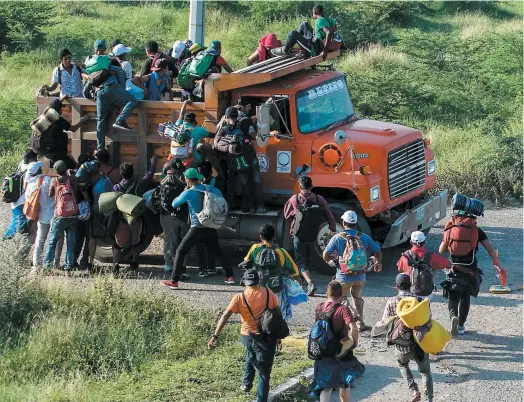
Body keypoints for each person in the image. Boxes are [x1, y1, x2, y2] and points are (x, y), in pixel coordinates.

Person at [207, 268, 279, 402]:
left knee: (250, 353)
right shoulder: (269, 293)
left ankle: (246, 383)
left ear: (244, 282)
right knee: (264, 373)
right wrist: (279, 338)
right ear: (258, 280)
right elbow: (277, 316)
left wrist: (215, 336)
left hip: (247, 336)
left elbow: (225, 316)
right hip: (266, 336)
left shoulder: (239, 297)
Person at [159, 168, 235, 289]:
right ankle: (230, 277)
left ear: (188, 179)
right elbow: (220, 196)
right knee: (218, 252)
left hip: (197, 228)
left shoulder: (189, 192)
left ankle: (174, 281)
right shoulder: (209, 188)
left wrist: (184, 192)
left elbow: (174, 204)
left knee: (180, 251)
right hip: (210, 226)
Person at [439, 211, 501, 337]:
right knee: (465, 297)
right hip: (470, 269)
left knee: (453, 296)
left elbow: (441, 250)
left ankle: (453, 317)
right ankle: (461, 325)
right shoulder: (477, 231)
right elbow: (491, 251)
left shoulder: (451, 228)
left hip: (453, 269)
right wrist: (496, 263)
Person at [323, 210, 382, 332]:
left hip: (343, 276)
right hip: (360, 276)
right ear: (355, 223)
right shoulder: (363, 237)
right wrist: (378, 263)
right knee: (358, 298)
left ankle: (350, 318)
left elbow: (325, 254)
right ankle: (360, 323)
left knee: (341, 298)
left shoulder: (337, 238)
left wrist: (330, 262)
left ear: (343, 222)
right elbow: (377, 250)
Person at [378, 274, 433, 402]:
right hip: (419, 343)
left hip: (401, 345)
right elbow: (429, 321)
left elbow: (384, 322)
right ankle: (429, 399)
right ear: (411, 285)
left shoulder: (392, 301)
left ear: (396, 287)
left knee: (402, 364)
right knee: (425, 372)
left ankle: (414, 390)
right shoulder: (421, 301)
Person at [310, 281, 364, 402]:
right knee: (344, 383)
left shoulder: (319, 307)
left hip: (324, 350)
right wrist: (354, 342)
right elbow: (354, 327)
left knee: (326, 386)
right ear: (341, 295)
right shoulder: (343, 309)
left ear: (326, 294)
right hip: (341, 351)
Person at [241, 223, 305, 321]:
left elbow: (246, 261)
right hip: (275, 288)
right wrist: (299, 280)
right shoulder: (281, 251)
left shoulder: (255, 248)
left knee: (258, 314)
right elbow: (293, 269)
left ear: (261, 237)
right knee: (275, 315)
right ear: (273, 236)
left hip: (259, 287)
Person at [284, 175, 336, 296]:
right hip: (312, 234)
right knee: (308, 257)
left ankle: (310, 283)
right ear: (312, 186)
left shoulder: (294, 199)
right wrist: (332, 230)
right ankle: (305, 278)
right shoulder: (319, 199)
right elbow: (330, 217)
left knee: (301, 260)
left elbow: (287, 216)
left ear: (299, 186)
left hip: (299, 235)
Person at [86, 40, 138, 149]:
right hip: (113, 88)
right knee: (132, 100)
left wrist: (90, 96)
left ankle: (100, 148)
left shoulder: (92, 66)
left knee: (101, 121)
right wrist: (121, 89)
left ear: (95, 50)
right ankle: (120, 120)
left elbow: (87, 87)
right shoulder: (108, 62)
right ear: (105, 50)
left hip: (100, 93)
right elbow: (119, 72)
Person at [76, 149, 122, 269]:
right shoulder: (116, 173)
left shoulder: (93, 174)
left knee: (93, 237)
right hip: (112, 209)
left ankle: (91, 263)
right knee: (114, 237)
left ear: (97, 160)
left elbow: (83, 187)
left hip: (96, 209)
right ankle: (115, 265)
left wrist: (88, 199)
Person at [214, 106, 257, 213]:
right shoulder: (227, 128)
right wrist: (228, 148)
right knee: (239, 183)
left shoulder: (235, 126)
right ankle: (241, 205)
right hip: (236, 159)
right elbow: (216, 144)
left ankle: (240, 205)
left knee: (238, 183)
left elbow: (216, 144)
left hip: (237, 159)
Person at [44, 160, 83, 274]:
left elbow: (50, 194)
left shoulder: (54, 180)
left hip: (59, 215)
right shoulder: (73, 179)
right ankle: (68, 268)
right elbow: (77, 190)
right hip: (72, 215)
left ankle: (47, 266)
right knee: (71, 243)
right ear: (66, 168)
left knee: (52, 242)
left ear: (56, 171)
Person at [30, 96, 89, 169]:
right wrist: (83, 120)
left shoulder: (45, 113)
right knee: (64, 136)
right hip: (46, 149)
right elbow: (73, 129)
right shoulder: (57, 120)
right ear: (60, 110)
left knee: (61, 135)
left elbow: (55, 104)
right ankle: (66, 162)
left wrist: (64, 97)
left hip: (34, 145)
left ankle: (55, 157)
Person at [22, 161, 61, 270]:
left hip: (42, 215)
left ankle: (36, 264)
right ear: (41, 169)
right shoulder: (49, 180)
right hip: (55, 214)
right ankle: (55, 263)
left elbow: (28, 199)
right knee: (57, 239)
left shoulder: (31, 183)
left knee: (40, 239)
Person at [157, 159, 192, 279]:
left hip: (165, 213)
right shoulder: (183, 181)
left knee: (168, 239)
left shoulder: (164, 180)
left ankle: (168, 264)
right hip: (179, 213)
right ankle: (182, 268)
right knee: (182, 241)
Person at [272, 4, 340, 60]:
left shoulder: (319, 21)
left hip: (315, 49)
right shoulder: (330, 20)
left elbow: (329, 32)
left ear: (315, 13)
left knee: (293, 33)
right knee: (304, 24)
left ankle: (285, 51)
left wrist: (324, 51)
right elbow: (334, 33)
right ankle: (289, 46)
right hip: (316, 43)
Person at [397, 231, 451, 300]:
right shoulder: (431, 256)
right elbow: (448, 265)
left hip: (409, 292)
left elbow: (400, 269)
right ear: (424, 242)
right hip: (425, 293)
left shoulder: (405, 256)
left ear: (411, 242)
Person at [4, 150, 37, 240]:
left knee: (16, 220)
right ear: (31, 159)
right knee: (19, 222)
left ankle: (9, 238)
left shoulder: (21, 164)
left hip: (15, 198)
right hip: (21, 200)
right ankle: (6, 239)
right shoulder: (32, 166)